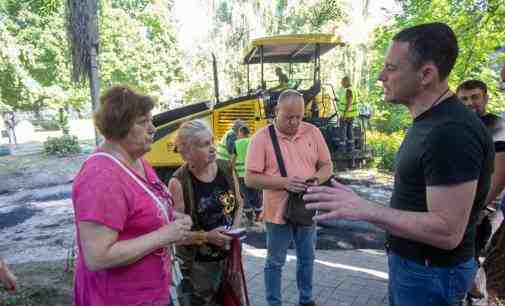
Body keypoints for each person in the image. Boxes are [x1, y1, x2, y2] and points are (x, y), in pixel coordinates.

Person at [304, 23, 494, 306]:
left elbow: (447, 231)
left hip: (430, 275)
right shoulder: (431, 121)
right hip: (419, 270)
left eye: (391, 68)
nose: (381, 76)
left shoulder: (451, 132)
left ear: (426, 74)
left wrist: (364, 208)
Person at [72, 85, 193, 306]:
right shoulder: (101, 177)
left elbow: (141, 211)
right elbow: (98, 256)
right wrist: (164, 235)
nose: (153, 128)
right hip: (118, 298)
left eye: (151, 121)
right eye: (142, 122)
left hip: (152, 293)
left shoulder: (136, 161)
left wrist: (172, 218)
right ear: (119, 127)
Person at [245, 89, 333, 306]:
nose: (294, 122)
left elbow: (327, 166)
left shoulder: (313, 132)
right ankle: (274, 303)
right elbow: (249, 179)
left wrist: (315, 179)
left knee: (307, 259)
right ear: (276, 111)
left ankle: (306, 300)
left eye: (299, 117)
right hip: (277, 212)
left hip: (306, 208)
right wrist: (284, 183)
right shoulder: (261, 138)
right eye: (288, 117)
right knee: (275, 262)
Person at [168, 119, 243, 306]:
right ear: (187, 152)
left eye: (211, 141)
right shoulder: (179, 183)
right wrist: (207, 236)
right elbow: (176, 235)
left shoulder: (226, 168)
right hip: (197, 268)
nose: (212, 148)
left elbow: (239, 203)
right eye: (204, 144)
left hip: (229, 259)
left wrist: (233, 231)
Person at [457, 79, 505, 305]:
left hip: (481, 209)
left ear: (485, 97)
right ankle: (469, 294)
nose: (470, 103)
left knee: (470, 255)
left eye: (475, 97)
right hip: (457, 205)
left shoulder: (497, 126)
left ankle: (475, 296)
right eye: (464, 98)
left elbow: (499, 175)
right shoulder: (456, 125)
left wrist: (479, 209)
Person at [231, 125, 262, 226]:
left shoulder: (237, 144)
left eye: (238, 133)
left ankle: (250, 219)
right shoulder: (253, 141)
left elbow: (233, 160)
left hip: (241, 176)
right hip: (255, 174)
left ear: (241, 133)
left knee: (245, 196)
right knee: (257, 195)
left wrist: (231, 170)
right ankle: (258, 216)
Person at [338, 76, 357, 152]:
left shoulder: (349, 90)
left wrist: (344, 115)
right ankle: (351, 148)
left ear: (346, 81)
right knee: (350, 131)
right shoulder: (353, 89)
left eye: (342, 82)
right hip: (351, 115)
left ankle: (342, 149)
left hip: (346, 115)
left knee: (342, 132)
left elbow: (349, 103)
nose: (341, 84)